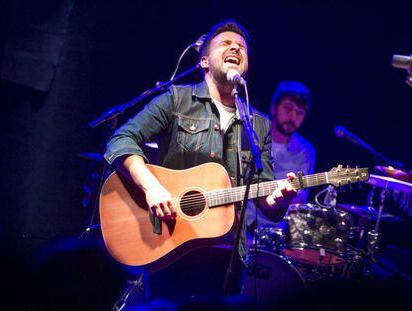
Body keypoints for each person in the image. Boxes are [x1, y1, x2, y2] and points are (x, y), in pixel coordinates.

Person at [104, 20, 296, 301]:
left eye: (241, 46)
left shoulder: (260, 125)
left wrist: (280, 198)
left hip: (227, 257)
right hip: (170, 244)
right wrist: (151, 187)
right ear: (204, 61)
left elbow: (264, 194)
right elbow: (122, 139)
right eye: (226, 44)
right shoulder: (176, 100)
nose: (235, 48)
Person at [247, 81, 315, 229]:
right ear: (274, 107)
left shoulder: (305, 151)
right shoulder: (252, 129)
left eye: (299, 113)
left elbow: (299, 200)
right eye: (288, 108)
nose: (292, 116)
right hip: (235, 222)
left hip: (271, 232)